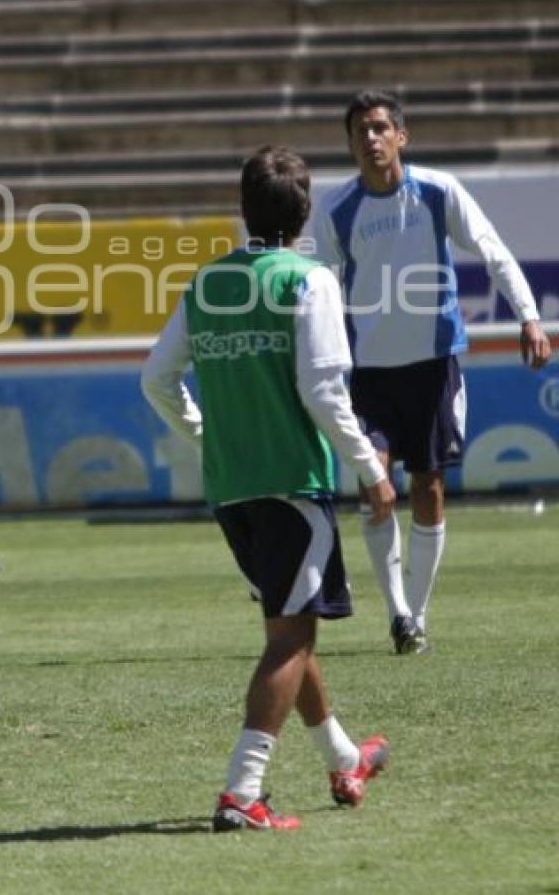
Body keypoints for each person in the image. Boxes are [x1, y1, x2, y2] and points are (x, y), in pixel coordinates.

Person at [142, 145, 396, 832]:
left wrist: (204, 436)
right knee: (290, 637)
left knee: (290, 623)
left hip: (231, 487)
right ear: (304, 212)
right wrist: (371, 470)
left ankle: (344, 755)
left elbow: (156, 379)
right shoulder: (307, 280)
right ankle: (241, 791)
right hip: (291, 481)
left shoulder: (207, 283)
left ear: (243, 208)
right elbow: (322, 390)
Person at [313, 89, 551, 654]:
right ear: (350, 144)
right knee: (376, 487)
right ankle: (398, 612)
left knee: (429, 488)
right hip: (369, 373)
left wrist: (530, 318)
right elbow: (319, 293)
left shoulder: (438, 191)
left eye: (378, 128)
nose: (370, 139)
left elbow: (492, 250)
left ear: (401, 137)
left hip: (434, 367)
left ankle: (416, 616)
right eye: (360, 132)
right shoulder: (335, 210)